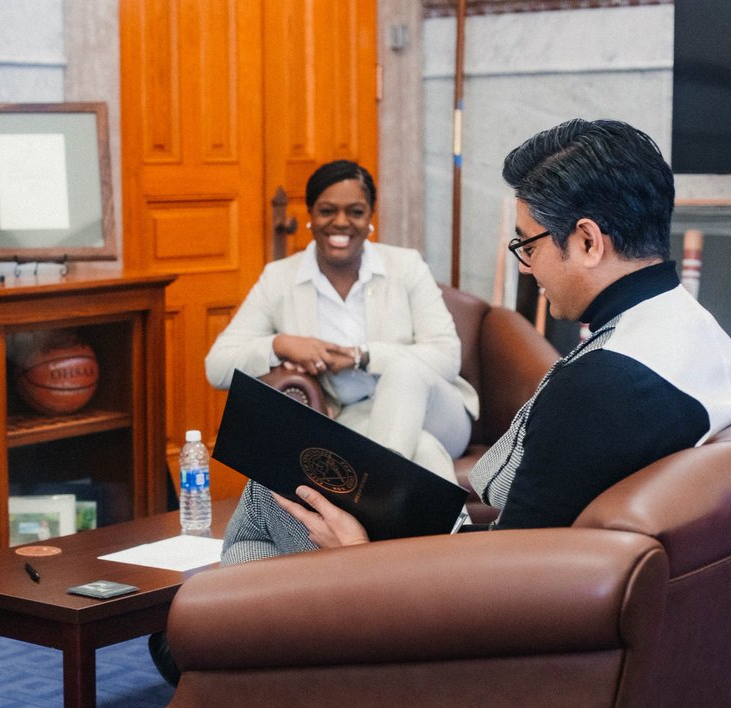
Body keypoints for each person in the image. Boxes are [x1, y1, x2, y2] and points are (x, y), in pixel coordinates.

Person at [221, 118, 731, 565]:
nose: (525, 266)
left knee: (269, 492)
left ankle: (205, 643)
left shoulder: (600, 388)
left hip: (470, 598)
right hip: (526, 568)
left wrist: (362, 556)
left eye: (527, 244)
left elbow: (506, 583)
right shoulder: (696, 333)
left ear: (588, 241)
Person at [205, 159, 478, 484]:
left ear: (370, 218)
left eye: (355, 212)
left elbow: (447, 356)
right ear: (310, 215)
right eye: (327, 210)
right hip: (357, 418)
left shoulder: (406, 266)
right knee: (423, 449)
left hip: (439, 413)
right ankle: (446, 533)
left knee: (405, 370)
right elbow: (216, 367)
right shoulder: (280, 279)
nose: (341, 222)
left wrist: (361, 356)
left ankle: (379, 493)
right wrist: (281, 345)